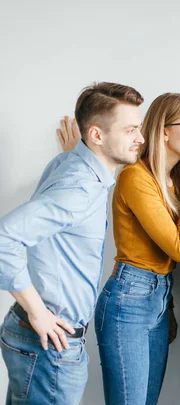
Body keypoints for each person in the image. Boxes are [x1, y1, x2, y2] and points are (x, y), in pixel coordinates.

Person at [0, 82, 144, 404]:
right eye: (131, 129)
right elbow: (4, 238)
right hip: (48, 345)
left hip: (37, 341)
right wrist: (38, 312)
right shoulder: (79, 188)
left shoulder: (73, 166)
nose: (141, 139)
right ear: (96, 135)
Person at [93, 93, 180, 405]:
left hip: (159, 297)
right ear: (164, 130)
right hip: (128, 299)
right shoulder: (135, 177)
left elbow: (176, 254)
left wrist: (167, 305)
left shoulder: (172, 182)